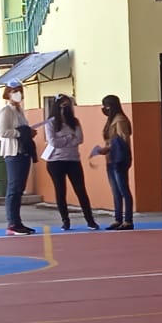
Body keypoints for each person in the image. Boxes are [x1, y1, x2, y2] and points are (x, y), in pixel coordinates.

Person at [42, 94, 99, 231]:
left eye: (68, 105)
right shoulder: (50, 123)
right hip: (55, 161)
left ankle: (90, 220)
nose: (65, 108)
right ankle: (65, 221)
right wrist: (69, 137)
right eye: (62, 105)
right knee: (60, 191)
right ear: (57, 106)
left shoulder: (75, 121)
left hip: (73, 160)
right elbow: (53, 142)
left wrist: (64, 140)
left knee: (81, 190)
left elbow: (79, 139)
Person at [0, 79, 37, 236]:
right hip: (14, 153)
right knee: (14, 188)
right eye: (14, 91)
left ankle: (17, 222)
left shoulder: (20, 111)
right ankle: (12, 223)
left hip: (23, 151)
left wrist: (29, 132)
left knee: (19, 189)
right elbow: (3, 132)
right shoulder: (6, 111)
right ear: (8, 94)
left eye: (20, 91)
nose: (18, 94)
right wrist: (21, 133)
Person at [98, 94, 134, 230]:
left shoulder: (119, 120)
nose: (104, 109)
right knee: (116, 191)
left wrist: (107, 148)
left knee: (123, 190)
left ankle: (128, 220)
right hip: (111, 158)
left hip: (119, 160)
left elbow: (122, 142)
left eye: (106, 106)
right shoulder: (111, 120)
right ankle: (117, 218)